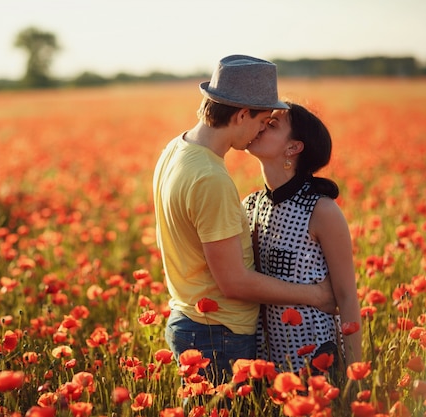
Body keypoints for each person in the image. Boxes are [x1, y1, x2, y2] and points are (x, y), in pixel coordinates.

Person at [152, 55, 337, 388]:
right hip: (217, 333)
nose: (261, 130)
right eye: (263, 120)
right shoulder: (210, 178)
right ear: (240, 115)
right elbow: (234, 283)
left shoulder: (175, 150)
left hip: (193, 321)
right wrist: (315, 296)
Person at [243, 102, 362, 379]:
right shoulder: (249, 205)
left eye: (271, 125)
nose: (260, 126)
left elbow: (346, 297)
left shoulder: (322, 211)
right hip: (264, 362)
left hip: (316, 361)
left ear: (293, 148)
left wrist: (355, 376)